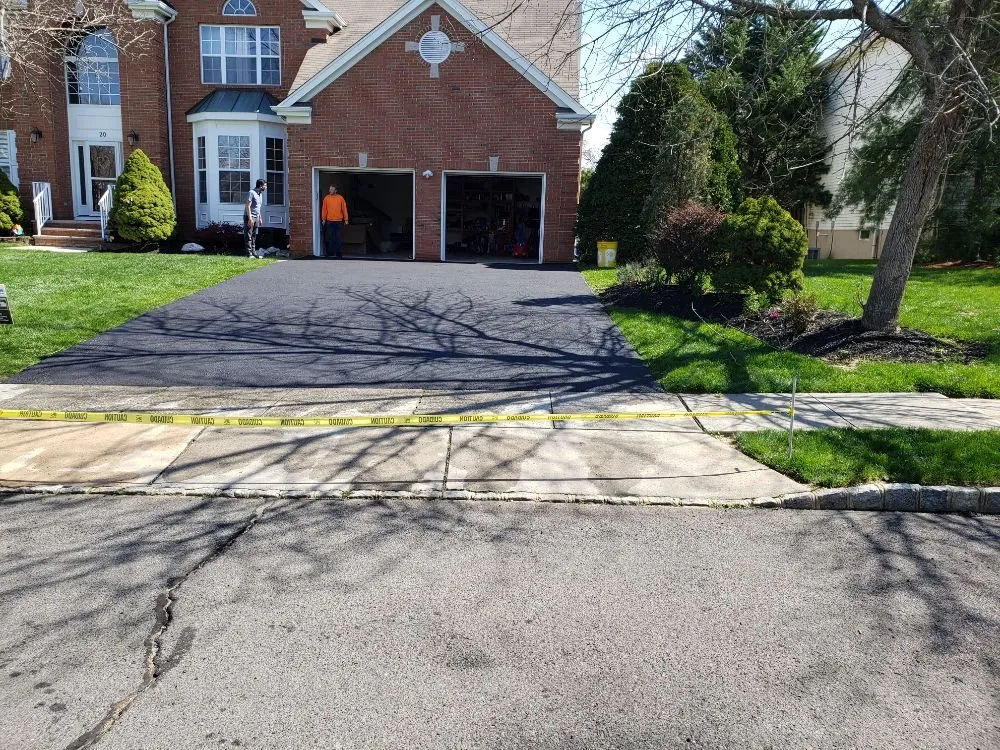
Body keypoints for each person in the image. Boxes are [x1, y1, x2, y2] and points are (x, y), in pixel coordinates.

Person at [321, 184, 349, 258]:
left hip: (339, 221)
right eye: (330, 189)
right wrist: (323, 219)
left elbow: (344, 209)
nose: (330, 190)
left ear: (336, 190)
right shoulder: (326, 198)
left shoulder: (340, 198)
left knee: (338, 237)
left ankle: (338, 253)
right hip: (329, 221)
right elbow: (324, 210)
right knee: (330, 237)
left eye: (332, 189)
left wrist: (346, 219)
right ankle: (330, 252)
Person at [244, 179, 266, 258]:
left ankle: (254, 253)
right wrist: (250, 218)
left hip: (256, 217)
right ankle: (249, 254)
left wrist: (260, 217)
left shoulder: (260, 194)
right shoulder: (251, 193)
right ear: (261, 185)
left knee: (254, 236)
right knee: (248, 235)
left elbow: (258, 207)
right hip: (250, 216)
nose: (266, 187)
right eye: (265, 185)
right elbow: (248, 206)